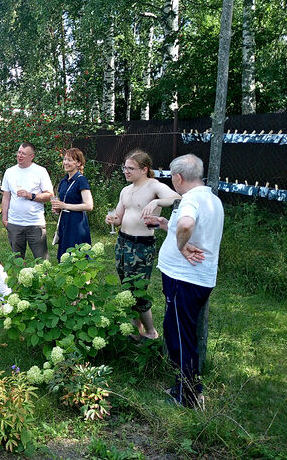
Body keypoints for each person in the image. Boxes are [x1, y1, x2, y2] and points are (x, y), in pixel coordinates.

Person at [144, 154, 224, 408]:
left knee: (181, 336)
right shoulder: (211, 199)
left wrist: (181, 246)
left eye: (172, 177)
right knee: (178, 330)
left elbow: (187, 225)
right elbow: (188, 227)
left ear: (178, 178)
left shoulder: (191, 199)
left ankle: (188, 395)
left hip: (184, 279)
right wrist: (166, 224)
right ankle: (184, 386)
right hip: (194, 278)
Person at [105, 150, 180, 340]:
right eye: (125, 167)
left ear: (144, 169)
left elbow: (177, 198)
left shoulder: (153, 186)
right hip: (123, 242)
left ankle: (151, 332)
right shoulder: (125, 190)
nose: (126, 171)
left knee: (138, 290)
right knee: (127, 288)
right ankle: (136, 330)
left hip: (141, 245)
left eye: (131, 168)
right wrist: (112, 220)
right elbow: (119, 218)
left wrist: (156, 201)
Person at [1, 143, 54, 260]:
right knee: (17, 261)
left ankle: (42, 273)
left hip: (35, 223)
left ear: (32, 156)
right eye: (19, 152)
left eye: (23, 154)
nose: (20, 155)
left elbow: (50, 195)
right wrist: (4, 219)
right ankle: (21, 273)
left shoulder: (40, 171)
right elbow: (6, 197)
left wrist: (30, 195)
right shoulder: (9, 172)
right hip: (14, 223)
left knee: (42, 261)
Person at [51, 148, 93, 260]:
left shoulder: (81, 180)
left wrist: (64, 206)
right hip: (64, 222)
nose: (65, 162)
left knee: (77, 257)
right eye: (65, 159)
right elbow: (62, 202)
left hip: (77, 224)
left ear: (78, 163)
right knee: (65, 257)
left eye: (69, 160)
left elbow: (89, 205)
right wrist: (57, 209)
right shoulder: (63, 181)